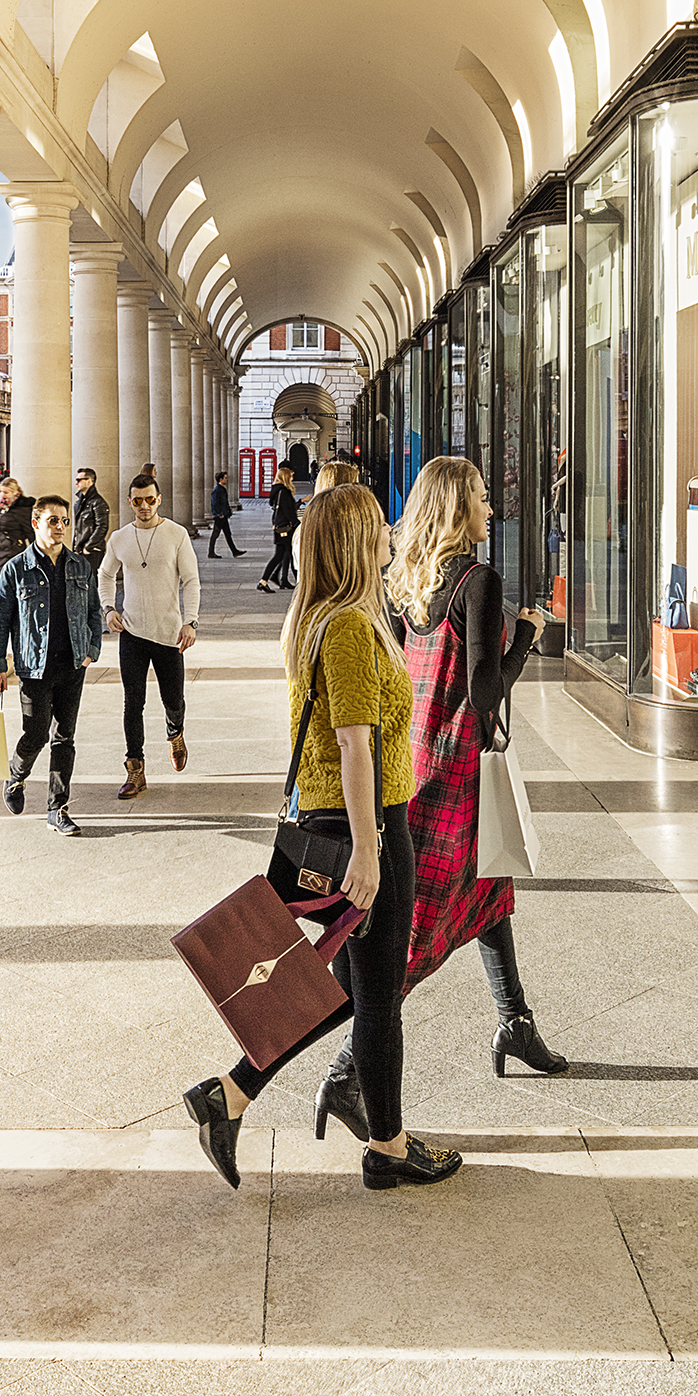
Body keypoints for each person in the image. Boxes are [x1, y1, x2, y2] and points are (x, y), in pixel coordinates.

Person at [184, 483, 459, 1193]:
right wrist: (369, 850)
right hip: (359, 824)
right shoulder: (342, 626)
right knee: (376, 998)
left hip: (341, 818)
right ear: (354, 543)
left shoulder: (329, 618)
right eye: (379, 530)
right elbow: (353, 743)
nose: (390, 538)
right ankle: (387, 1146)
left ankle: (234, 1092)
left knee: (342, 992)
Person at [386, 454, 565, 1077]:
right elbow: (484, 693)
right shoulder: (479, 583)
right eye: (484, 499)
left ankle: (515, 1021)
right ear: (461, 508)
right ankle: (347, 1071)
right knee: (415, 935)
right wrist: (527, 638)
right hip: (459, 769)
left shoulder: (411, 584)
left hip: (416, 759)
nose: (493, 508)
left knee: (490, 889)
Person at [0, 492, 102, 837]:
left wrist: (92, 649)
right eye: (53, 520)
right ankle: (16, 776)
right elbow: (0, 619)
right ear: (36, 523)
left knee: (64, 737)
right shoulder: (15, 569)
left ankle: (58, 808)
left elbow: (94, 612)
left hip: (72, 664)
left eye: (65, 521)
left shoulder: (81, 566)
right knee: (36, 733)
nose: (60, 528)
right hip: (33, 666)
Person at [100, 476, 201, 798]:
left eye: (150, 500)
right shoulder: (119, 538)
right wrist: (107, 609)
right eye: (137, 501)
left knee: (173, 701)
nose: (144, 506)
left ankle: (176, 734)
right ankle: (135, 770)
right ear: (130, 502)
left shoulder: (176, 534)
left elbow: (191, 581)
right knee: (133, 703)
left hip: (169, 635)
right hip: (132, 632)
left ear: (159, 500)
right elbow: (105, 574)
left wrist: (191, 622)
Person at [257, 467, 299, 591]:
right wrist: (297, 523)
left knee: (285, 554)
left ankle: (274, 578)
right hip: (285, 528)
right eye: (290, 475)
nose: (292, 476)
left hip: (280, 526)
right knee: (281, 555)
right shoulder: (284, 492)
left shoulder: (277, 490)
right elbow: (287, 511)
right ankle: (265, 581)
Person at [0, 473, 34, 574]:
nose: (2, 495)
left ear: (15, 493)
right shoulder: (1, 506)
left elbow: (30, 532)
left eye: (6, 492)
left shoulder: (22, 509)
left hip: (12, 552)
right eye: (1, 491)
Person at [72, 466, 111, 562]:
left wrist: (88, 547)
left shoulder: (98, 503)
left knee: (92, 576)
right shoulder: (79, 503)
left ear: (89, 481)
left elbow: (102, 526)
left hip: (92, 551)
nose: (76, 483)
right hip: (80, 551)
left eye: (79, 480)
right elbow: (78, 528)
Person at [206, 470, 243, 558]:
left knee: (227, 534)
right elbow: (215, 503)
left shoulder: (222, 489)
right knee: (215, 534)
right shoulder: (217, 490)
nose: (227, 480)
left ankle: (234, 551)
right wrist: (220, 514)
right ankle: (211, 553)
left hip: (223, 515)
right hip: (220, 516)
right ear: (221, 479)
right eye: (225, 478)